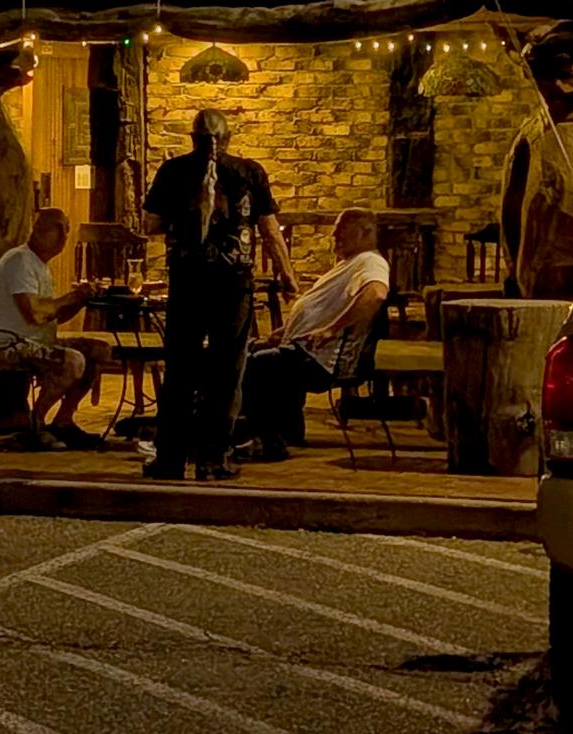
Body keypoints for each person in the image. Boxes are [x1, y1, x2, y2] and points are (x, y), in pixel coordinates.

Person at [140, 110, 298, 480]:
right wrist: (287, 274)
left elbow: (151, 224)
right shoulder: (249, 172)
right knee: (227, 373)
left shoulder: (172, 171)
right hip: (233, 284)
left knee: (180, 369)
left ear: (193, 137)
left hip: (187, 281)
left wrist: (185, 222)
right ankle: (213, 460)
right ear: (228, 138)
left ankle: (170, 459)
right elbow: (269, 230)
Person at [236, 208, 390, 462]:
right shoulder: (349, 264)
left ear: (365, 232)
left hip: (320, 359)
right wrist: (286, 332)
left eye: (341, 229)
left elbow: (375, 294)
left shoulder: (371, 262)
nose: (335, 235)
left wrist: (331, 329)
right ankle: (288, 431)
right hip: (305, 348)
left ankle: (267, 440)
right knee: (249, 352)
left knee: (255, 365)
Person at [0, 207, 111, 450]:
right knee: (72, 360)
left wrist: (80, 300)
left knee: (98, 350)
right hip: (9, 344)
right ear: (37, 230)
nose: (64, 236)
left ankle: (64, 420)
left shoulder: (41, 266)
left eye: (67, 229)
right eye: (57, 228)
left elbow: (53, 316)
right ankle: (35, 425)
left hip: (36, 340)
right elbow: (35, 313)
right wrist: (69, 297)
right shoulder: (19, 261)